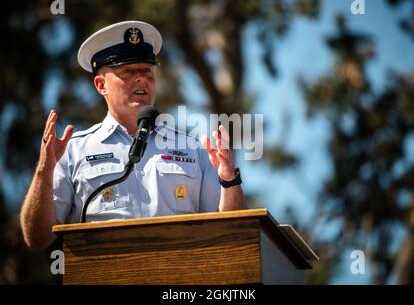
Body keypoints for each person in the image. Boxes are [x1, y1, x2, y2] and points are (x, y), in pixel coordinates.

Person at [20, 21, 247, 250]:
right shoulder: (73, 151)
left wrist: (229, 179)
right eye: (128, 71)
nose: (141, 78)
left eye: (147, 71)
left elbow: (231, 231)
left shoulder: (193, 148)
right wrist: (44, 171)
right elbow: (37, 238)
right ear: (101, 85)